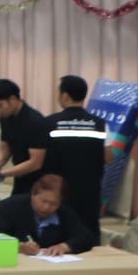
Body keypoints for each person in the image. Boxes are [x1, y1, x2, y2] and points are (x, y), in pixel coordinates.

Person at [45, 75, 111, 226]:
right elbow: (108, 158)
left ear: (65, 96)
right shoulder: (100, 124)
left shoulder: (49, 123)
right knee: (87, 231)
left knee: (59, 231)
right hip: (89, 192)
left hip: (58, 191)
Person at [0, 172, 97, 256]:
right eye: (43, 201)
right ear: (33, 194)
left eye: (53, 204)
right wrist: (18, 247)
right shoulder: (8, 207)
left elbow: (85, 237)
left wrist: (64, 246)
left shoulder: (63, 212)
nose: (46, 207)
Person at [0, 78, 50, 198]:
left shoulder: (35, 121)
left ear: (13, 99)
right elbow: (4, 153)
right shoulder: (5, 118)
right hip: (20, 178)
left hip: (39, 180)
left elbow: (35, 163)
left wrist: (0, 175)